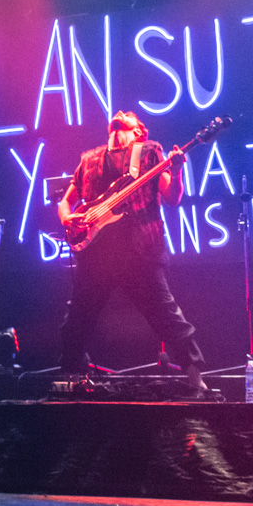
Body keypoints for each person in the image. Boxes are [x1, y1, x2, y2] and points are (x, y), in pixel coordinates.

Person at [57, 110, 209, 396]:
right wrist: (67, 219)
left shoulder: (149, 153)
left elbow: (172, 197)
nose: (119, 113)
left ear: (139, 131)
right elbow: (66, 202)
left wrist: (176, 170)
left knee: (167, 316)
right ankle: (71, 378)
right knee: (77, 318)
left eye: (128, 115)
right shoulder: (89, 159)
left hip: (140, 251)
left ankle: (195, 378)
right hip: (96, 255)